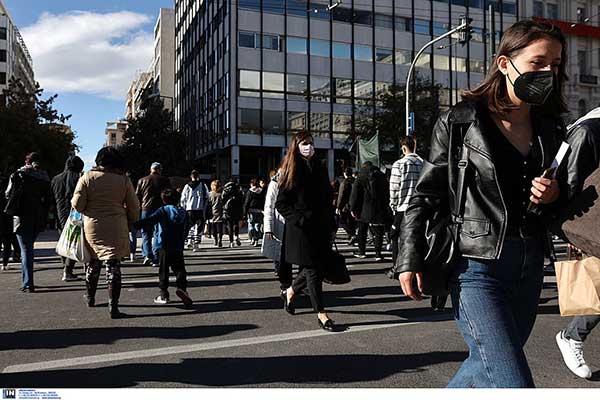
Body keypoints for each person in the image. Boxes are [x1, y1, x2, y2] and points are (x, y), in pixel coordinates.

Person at [394, 20, 568, 387]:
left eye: (555, 65)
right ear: (505, 63)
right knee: (512, 381)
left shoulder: (552, 127)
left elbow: (563, 196)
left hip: (530, 265)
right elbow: (426, 194)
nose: (548, 73)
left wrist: (554, 195)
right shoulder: (461, 122)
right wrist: (408, 258)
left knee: (485, 369)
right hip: (476, 267)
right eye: (538, 63)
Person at [553, 106, 600, 379]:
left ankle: (573, 336)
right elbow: (568, 181)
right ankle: (572, 336)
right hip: (589, 222)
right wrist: (573, 232)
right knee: (593, 287)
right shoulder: (588, 130)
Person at [276, 131, 337, 332]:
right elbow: (281, 203)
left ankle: (290, 292)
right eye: (304, 143)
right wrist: (300, 219)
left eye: (311, 143)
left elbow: (327, 197)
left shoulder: (319, 166)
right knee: (312, 270)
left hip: (321, 226)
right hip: (301, 230)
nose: (309, 147)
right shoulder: (291, 169)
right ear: (296, 145)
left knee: (314, 267)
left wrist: (332, 222)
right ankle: (321, 313)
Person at [72, 147, 140, 318]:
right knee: (113, 265)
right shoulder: (124, 180)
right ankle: (113, 306)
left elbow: (78, 205)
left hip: (93, 226)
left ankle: (90, 297)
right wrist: (131, 220)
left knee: (93, 263)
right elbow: (134, 206)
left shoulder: (87, 177)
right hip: (116, 226)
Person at [134, 189, 192, 306]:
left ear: (164, 200)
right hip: (178, 245)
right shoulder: (183, 212)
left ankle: (164, 294)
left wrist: (135, 224)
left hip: (164, 244)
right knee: (180, 269)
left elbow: (150, 220)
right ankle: (182, 288)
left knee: (163, 271)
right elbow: (187, 226)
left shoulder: (163, 210)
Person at [4, 152, 51, 292]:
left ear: (26, 162)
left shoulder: (18, 175)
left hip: (21, 216)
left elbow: (8, 194)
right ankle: (28, 281)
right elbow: (48, 199)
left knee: (25, 249)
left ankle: (28, 283)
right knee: (29, 248)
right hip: (37, 217)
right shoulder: (44, 178)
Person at [389, 136, 423, 270]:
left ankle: (397, 266)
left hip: (403, 207)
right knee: (417, 238)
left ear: (403, 148)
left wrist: (393, 205)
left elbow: (394, 188)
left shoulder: (399, 164)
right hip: (420, 206)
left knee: (395, 236)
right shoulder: (423, 163)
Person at [51, 155, 85, 281]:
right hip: (75, 214)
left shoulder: (56, 179)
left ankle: (65, 266)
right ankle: (68, 270)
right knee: (74, 243)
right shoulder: (79, 178)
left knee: (64, 242)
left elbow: (51, 198)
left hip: (59, 213)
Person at [349, 161, 390, 261]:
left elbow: (355, 194)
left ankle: (361, 251)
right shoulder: (381, 176)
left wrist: (352, 208)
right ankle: (378, 254)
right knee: (378, 232)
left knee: (362, 230)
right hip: (379, 207)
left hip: (363, 208)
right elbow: (387, 192)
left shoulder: (360, 177)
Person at [262, 169, 292, 294]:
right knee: (283, 256)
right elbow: (269, 206)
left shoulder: (299, 179)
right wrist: (268, 228)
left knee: (300, 255)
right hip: (282, 223)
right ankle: (286, 285)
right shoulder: (275, 182)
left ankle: (299, 285)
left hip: (296, 222)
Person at [136, 162, 171, 266]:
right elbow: (169, 194)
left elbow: (137, 195)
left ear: (151, 169)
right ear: (159, 169)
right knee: (158, 232)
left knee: (146, 233)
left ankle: (147, 255)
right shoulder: (164, 180)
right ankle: (156, 257)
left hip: (145, 209)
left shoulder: (142, 180)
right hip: (160, 208)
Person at [180, 170, 209, 252]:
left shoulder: (187, 186)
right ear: (198, 176)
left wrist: (183, 208)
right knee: (199, 227)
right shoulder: (203, 185)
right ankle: (196, 245)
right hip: (200, 209)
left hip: (189, 209)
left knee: (190, 226)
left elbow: (183, 199)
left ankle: (189, 241)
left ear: (191, 176)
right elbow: (207, 197)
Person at [336, 168, 356, 245]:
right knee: (352, 222)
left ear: (345, 174)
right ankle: (351, 236)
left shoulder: (344, 183)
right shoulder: (355, 181)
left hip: (346, 205)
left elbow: (341, 196)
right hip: (354, 204)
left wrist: (338, 207)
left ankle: (352, 235)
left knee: (342, 222)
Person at [222, 176, 244, 247]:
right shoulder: (238, 188)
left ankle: (231, 242)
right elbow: (242, 198)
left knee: (230, 225)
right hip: (237, 208)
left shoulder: (225, 188)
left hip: (228, 209)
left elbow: (222, 198)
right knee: (236, 223)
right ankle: (236, 236)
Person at [244, 178, 265, 247]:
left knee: (251, 225)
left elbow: (247, 202)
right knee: (257, 225)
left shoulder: (250, 191)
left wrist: (245, 211)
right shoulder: (261, 191)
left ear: (251, 184)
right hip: (260, 210)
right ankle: (256, 239)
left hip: (251, 210)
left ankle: (253, 237)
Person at [208, 180, 224, 247]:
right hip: (220, 212)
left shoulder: (209, 194)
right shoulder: (221, 194)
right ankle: (220, 239)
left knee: (213, 228)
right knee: (220, 228)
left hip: (212, 213)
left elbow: (208, 204)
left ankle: (215, 240)